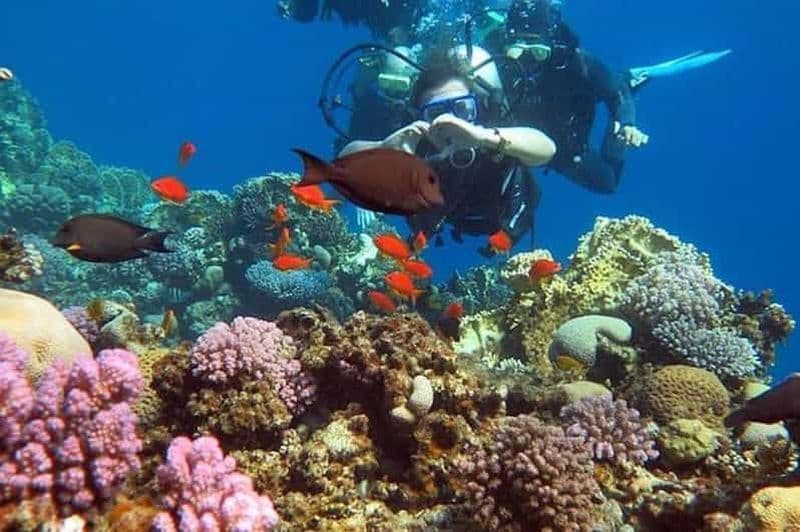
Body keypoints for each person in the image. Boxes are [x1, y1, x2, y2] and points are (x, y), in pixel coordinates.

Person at [339, 45, 556, 254]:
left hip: (501, 215)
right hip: (444, 217)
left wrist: (484, 137)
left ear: (477, 108)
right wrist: (382, 149)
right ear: (422, 118)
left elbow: (546, 148)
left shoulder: (490, 132)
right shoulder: (419, 142)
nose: (451, 122)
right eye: (436, 113)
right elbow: (342, 164)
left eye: (462, 108)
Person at [500, 0, 647, 194]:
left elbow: (617, 93)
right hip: (510, 143)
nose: (527, 62)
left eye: (538, 52)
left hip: (564, 147)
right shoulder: (495, 61)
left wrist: (626, 124)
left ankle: (625, 82)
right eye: (516, 51)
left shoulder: (578, 63)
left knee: (607, 183)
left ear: (551, 44)